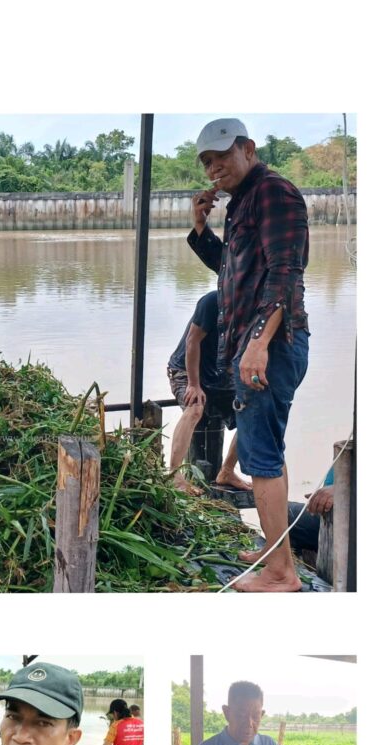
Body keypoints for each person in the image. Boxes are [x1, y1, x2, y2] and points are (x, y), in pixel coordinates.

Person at [188, 118, 310, 592]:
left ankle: (281, 572)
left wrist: (258, 342)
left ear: (249, 149)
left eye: (223, 159)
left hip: (271, 346)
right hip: (259, 345)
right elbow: (231, 271)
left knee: (260, 457)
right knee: (268, 452)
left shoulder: (274, 193)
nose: (215, 170)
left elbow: (285, 273)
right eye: (209, 165)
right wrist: (201, 228)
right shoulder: (243, 204)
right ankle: (274, 546)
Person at [168, 290, 251, 495]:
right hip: (186, 370)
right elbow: (192, 341)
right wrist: (194, 384)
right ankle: (174, 475)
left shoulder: (257, 309)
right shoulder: (213, 301)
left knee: (253, 413)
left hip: (221, 374)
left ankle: (227, 471)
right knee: (195, 406)